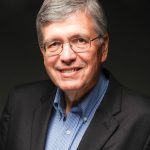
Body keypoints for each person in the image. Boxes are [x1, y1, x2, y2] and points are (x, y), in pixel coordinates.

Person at [0, 0, 150, 149]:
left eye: (80, 40)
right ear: (43, 52)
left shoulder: (144, 120)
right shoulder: (19, 104)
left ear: (103, 48)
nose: (66, 56)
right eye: (54, 44)